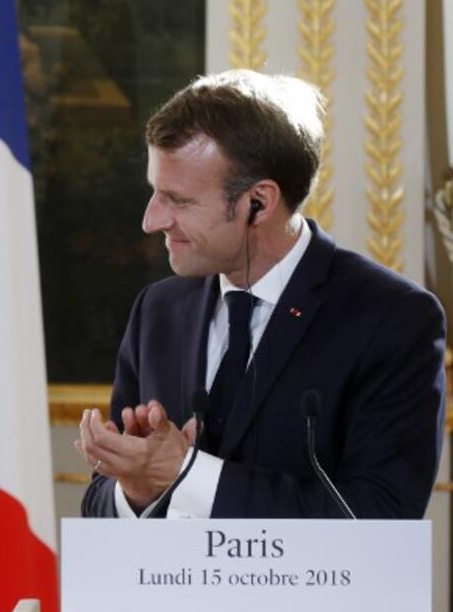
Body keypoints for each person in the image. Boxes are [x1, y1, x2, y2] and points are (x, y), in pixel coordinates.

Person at [77, 69, 446, 519]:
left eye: (179, 200)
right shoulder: (159, 310)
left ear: (260, 202)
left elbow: (381, 516)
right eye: (156, 192)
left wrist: (186, 474)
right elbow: (102, 506)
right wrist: (135, 488)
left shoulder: (393, 318)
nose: (151, 220)